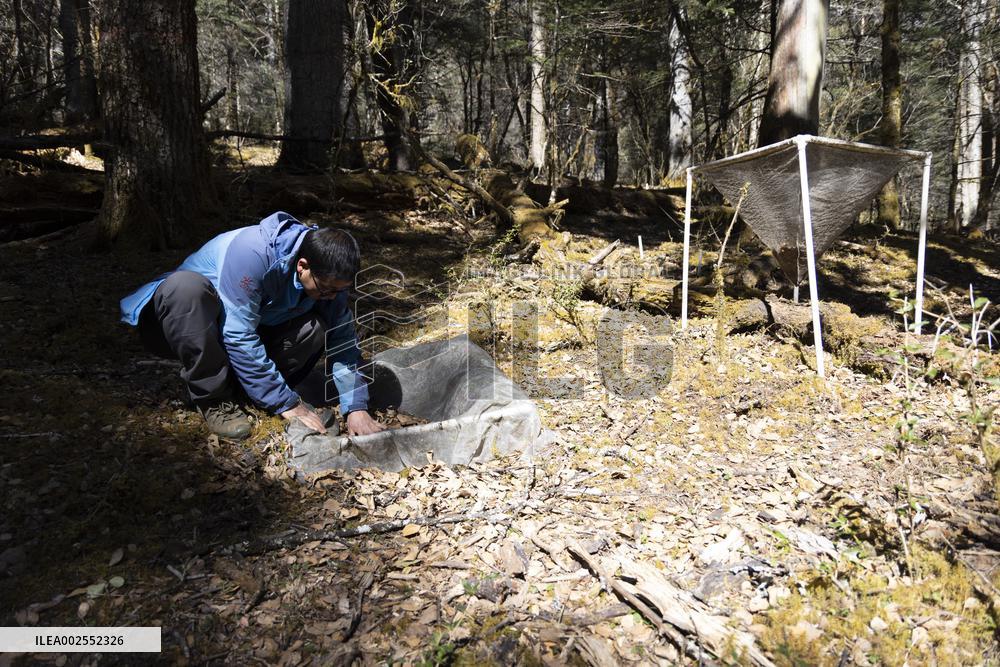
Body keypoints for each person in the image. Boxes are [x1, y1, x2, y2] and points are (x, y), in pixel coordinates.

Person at [119, 211, 385, 440]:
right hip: (179, 324)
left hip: (247, 327)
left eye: (340, 291)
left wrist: (356, 408)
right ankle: (213, 399)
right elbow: (238, 336)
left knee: (315, 327)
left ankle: (243, 392)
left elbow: (343, 344)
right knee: (185, 287)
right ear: (302, 266)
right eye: (327, 289)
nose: (333, 297)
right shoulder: (253, 253)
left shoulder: (328, 280)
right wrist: (286, 404)